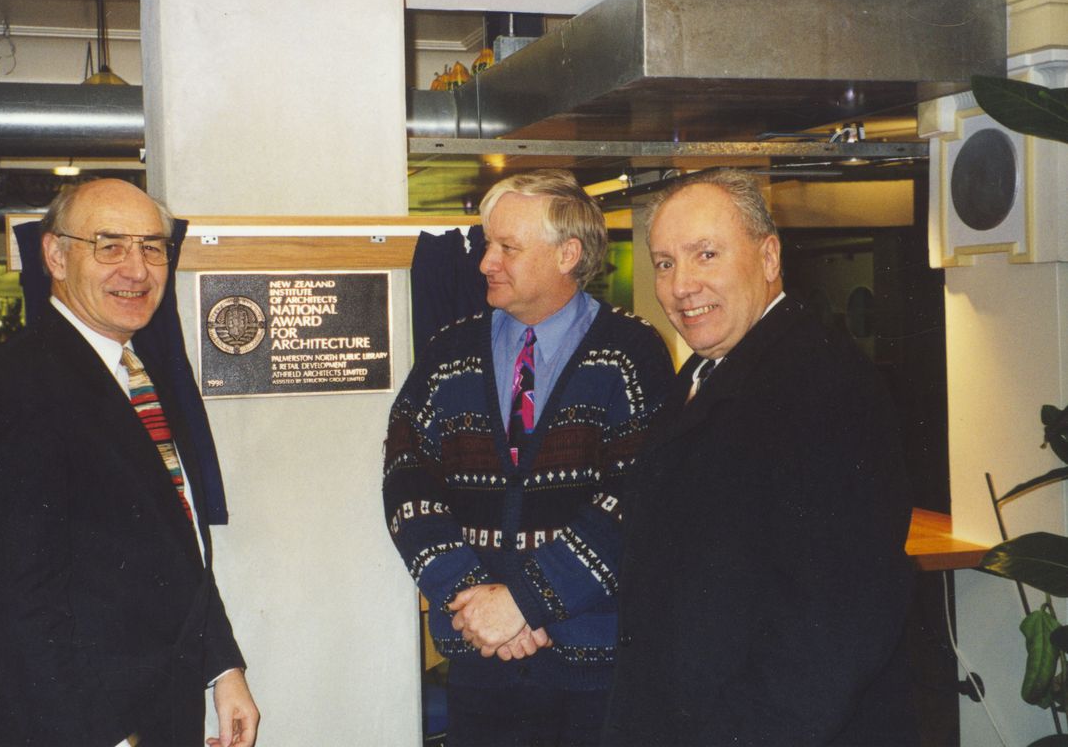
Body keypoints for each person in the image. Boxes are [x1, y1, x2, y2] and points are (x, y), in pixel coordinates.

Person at [603, 168, 916, 746]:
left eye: (706, 254)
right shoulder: (703, 371)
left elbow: (837, 623)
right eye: (666, 262)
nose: (680, 286)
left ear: (769, 257)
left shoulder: (821, 385)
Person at [0, 179, 259, 747]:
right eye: (110, 246)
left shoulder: (140, 372)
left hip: (160, 704)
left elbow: (176, 540)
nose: (137, 270)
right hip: (84, 724)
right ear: (55, 255)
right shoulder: (17, 387)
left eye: (151, 247)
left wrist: (221, 668)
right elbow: (18, 608)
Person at [383, 169, 674, 746]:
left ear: (568, 253)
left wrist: (527, 600)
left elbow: (640, 495)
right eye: (489, 244)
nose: (486, 262)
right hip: (480, 656)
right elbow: (405, 478)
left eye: (507, 248)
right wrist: (470, 595)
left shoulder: (631, 353)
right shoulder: (450, 350)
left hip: (596, 664)